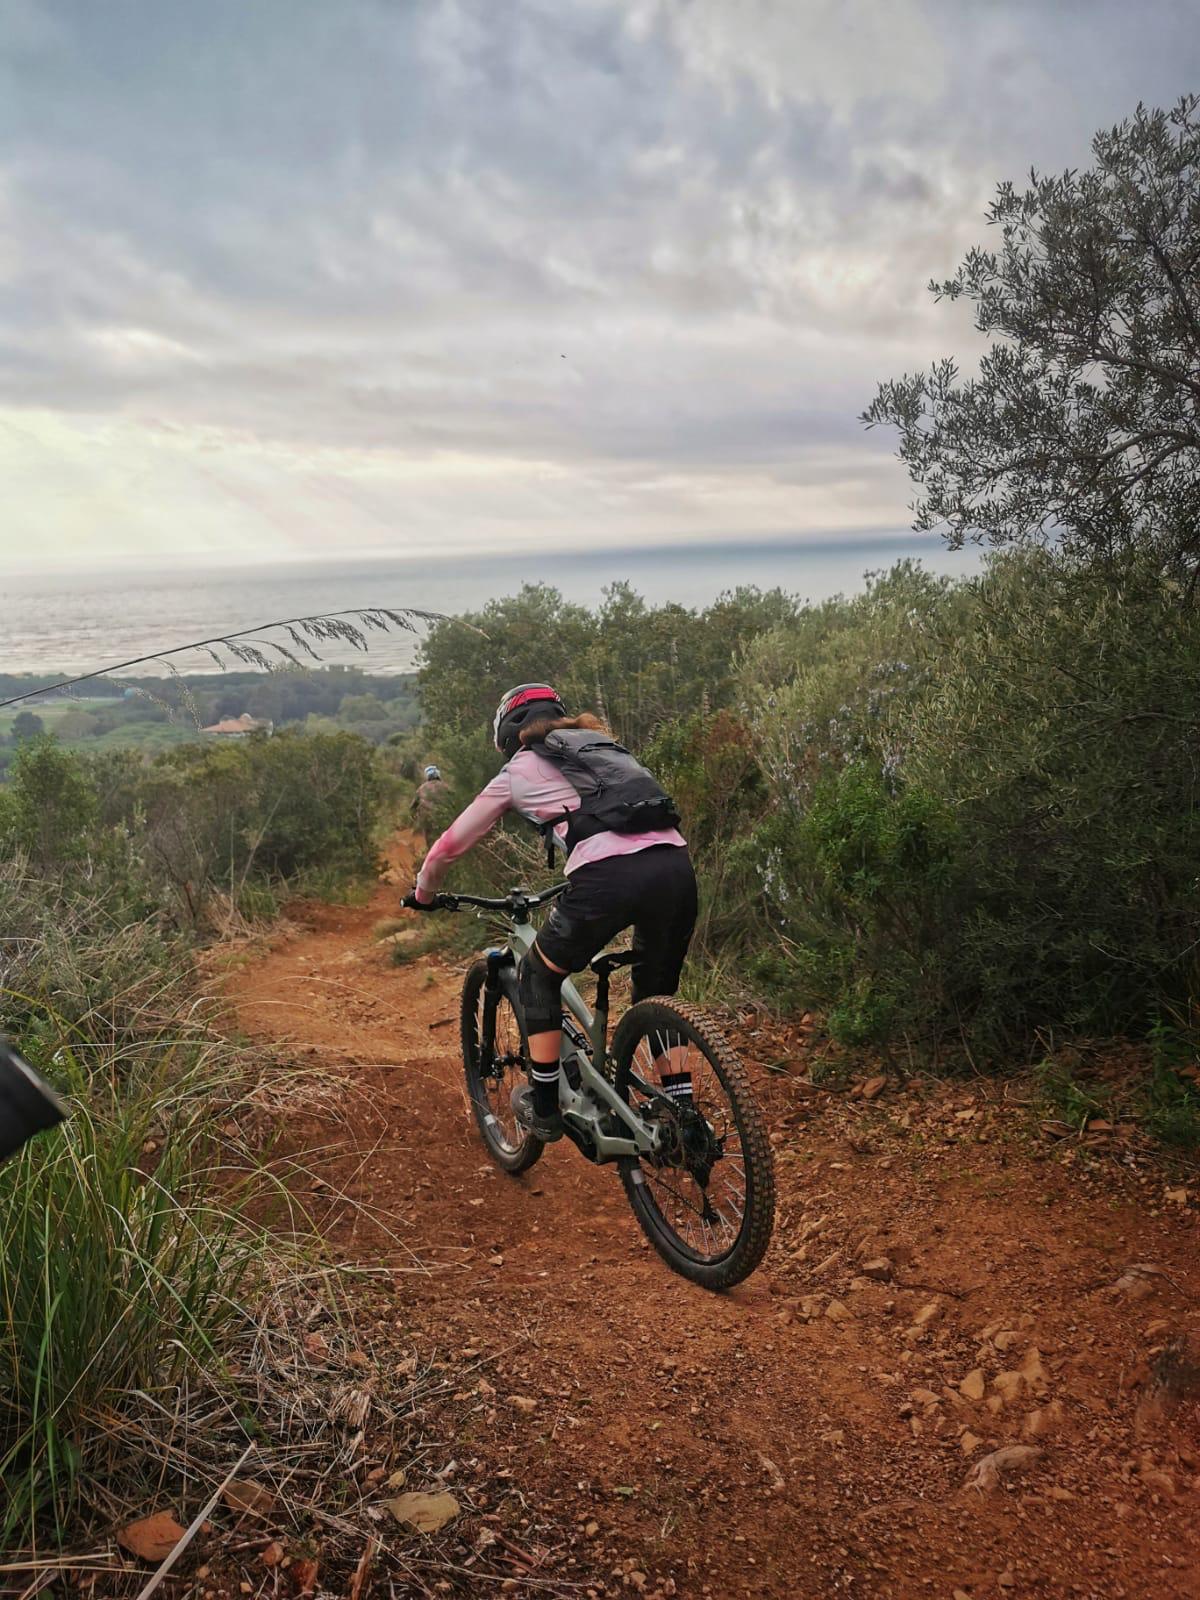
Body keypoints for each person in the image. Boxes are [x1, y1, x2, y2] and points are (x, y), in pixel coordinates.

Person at [403, 684, 697, 1142]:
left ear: (507, 733)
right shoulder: (606, 749)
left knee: (537, 976)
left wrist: (423, 893)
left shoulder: (518, 770)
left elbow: (450, 845)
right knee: (654, 993)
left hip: (606, 879)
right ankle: (683, 1113)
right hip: (677, 867)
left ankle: (543, 1110)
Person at [409, 764, 449, 837]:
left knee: (431, 841)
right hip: (444, 817)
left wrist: (416, 818)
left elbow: (412, 808)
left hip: (427, 820)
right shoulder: (445, 786)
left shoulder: (421, 789)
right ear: (438, 774)